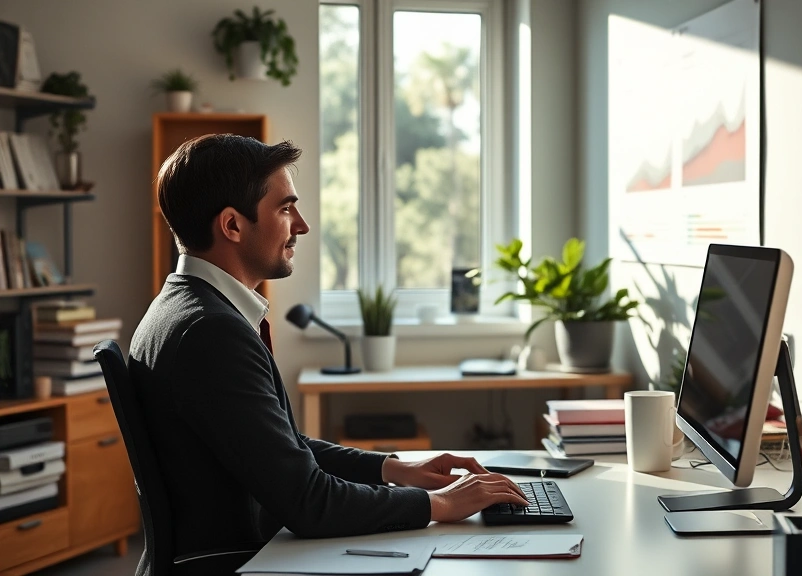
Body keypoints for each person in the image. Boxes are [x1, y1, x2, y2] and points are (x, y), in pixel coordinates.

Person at [130, 134, 528, 570]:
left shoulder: (180, 307)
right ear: (232, 225)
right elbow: (309, 502)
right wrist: (438, 504)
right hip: (244, 560)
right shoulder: (211, 332)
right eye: (284, 209)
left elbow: (283, 448)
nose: (300, 225)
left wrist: (396, 470)